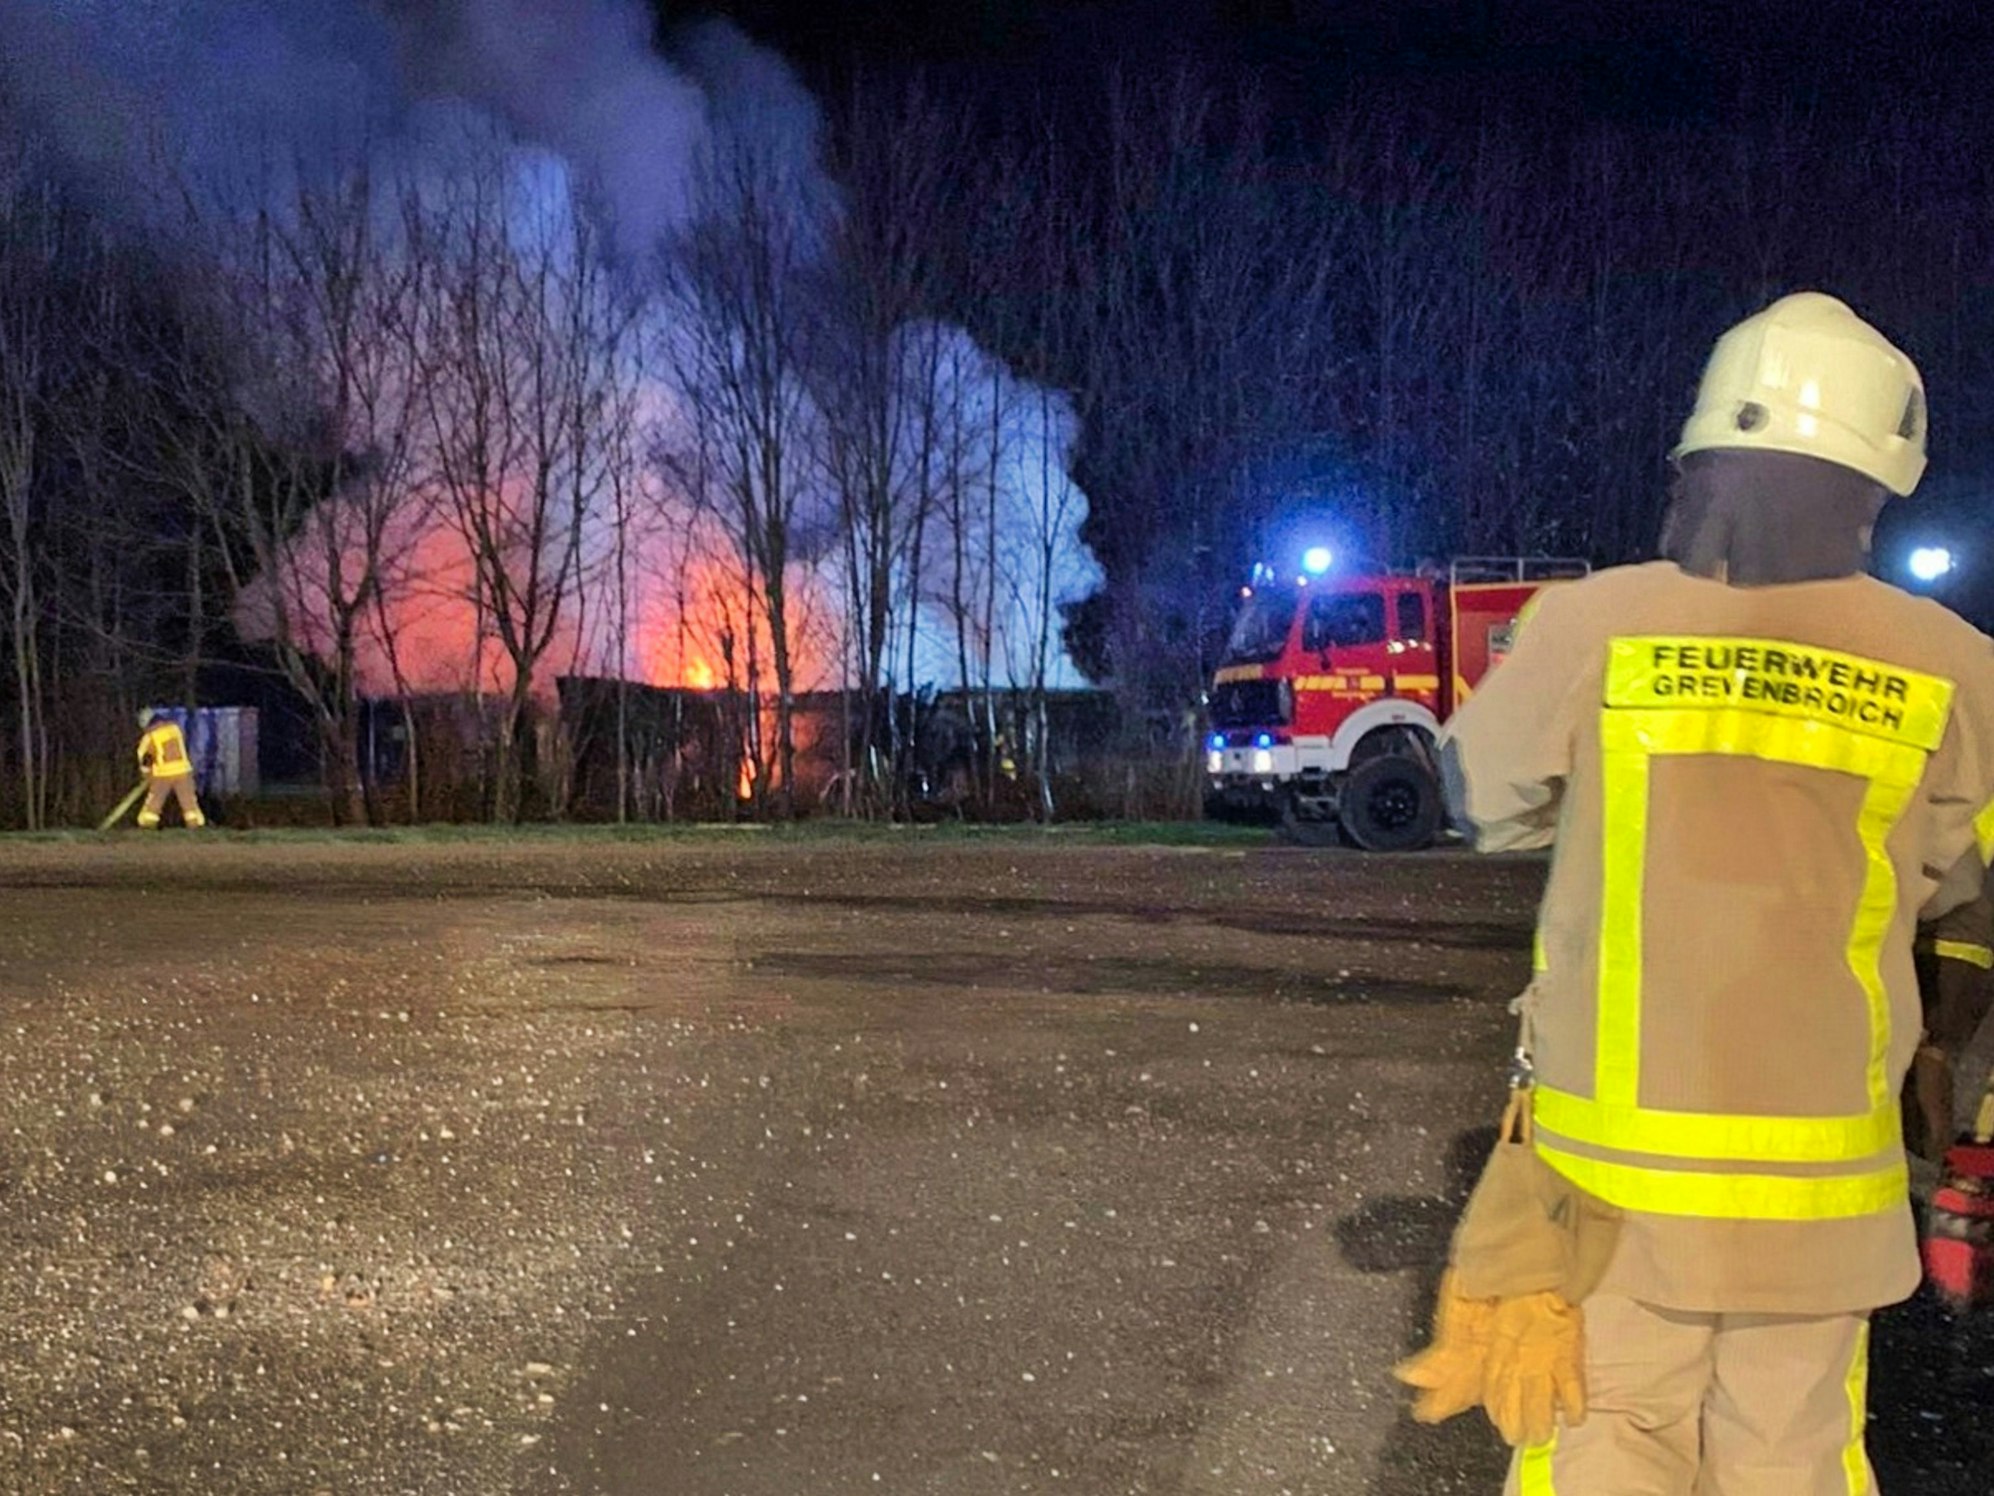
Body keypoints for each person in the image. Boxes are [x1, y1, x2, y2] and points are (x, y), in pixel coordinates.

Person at [1413, 291, 1994, 1492]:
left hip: (1603, 1187)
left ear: (1709, 460)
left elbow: (1477, 796)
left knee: (1598, 1440)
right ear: (1876, 485)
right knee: (1791, 1456)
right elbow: (1959, 876)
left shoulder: (1595, 620)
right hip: (1822, 1192)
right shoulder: (1955, 667)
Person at [136, 711, 206, 829]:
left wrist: (146, 774)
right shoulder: (175, 729)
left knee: (155, 801)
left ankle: (147, 824)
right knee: (188, 800)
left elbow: (146, 759)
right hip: (183, 771)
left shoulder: (149, 737)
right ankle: (195, 824)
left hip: (163, 774)